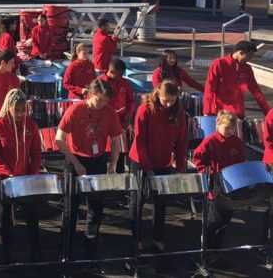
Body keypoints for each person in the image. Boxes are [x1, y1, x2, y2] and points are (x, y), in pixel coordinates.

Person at [56, 79, 122, 263]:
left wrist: (113, 163)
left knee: (96, 205)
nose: (102, 104)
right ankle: (66, 246)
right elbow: (59, 139)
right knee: (71, 205)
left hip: (97, 160)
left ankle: (90, 243)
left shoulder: (109, 112)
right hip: (76, 159)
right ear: (90, 95)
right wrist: (76, 163)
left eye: (105, 101)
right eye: (99, 100)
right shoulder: (76, 110)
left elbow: (116, 140)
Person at [128, 80, 188, 253]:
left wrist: (180, 168)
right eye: (165, 100)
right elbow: (140, 141)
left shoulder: (178, 113)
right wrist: (147, 168)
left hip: (163, 162)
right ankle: (136, 238)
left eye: (172, 100)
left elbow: (182, 142)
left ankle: (158, 237)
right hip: (140, 160)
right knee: (138, 200)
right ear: (158, 94)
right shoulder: (145, 110)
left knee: (161, 202)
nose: (168, 104)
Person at [0, 89, 43, 264]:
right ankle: (5, 253)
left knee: (32, 213)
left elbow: (36, 153)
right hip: (4, 177)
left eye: (22, 110)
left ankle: (35, 252)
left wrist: (32, 173)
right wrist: (7, 173)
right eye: (16, 110)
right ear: (9, 107)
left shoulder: (31, 125)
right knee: (4, 215)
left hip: (25, 176)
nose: (20, 114)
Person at [193, 111, 247, 258]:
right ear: (217, 125)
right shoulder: (210, 141)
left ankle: (216, 249)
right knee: (214, 220)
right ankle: (206, 249)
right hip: (216, 185)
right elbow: (197, 157)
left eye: (232, 128)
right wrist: (205, 169)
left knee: (226, 219)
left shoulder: (236, 142)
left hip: (232, 185)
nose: (229, 131)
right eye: (226, 128)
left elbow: (241, 161)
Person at [203, 40, 270, 119]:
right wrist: (207, 111)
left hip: (238, 113)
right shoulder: (219, 64)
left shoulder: (247, 69)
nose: (250, 59)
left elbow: (256, 92)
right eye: (249, 56)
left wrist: (268, 113)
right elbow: (209, 89)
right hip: (220, 113)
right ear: (240, 53)